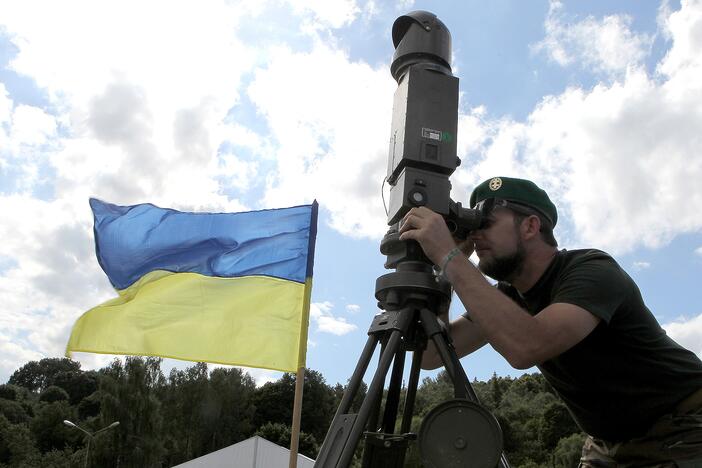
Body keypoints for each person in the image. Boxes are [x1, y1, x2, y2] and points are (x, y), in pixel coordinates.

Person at [398, 176, 702, 467]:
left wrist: (449, 256)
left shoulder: (591, 271)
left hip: (685, 424)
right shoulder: (508, 297)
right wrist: (442, 271)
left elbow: (528, 346)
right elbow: (431, 354)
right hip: (608, 443)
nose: (475, 236)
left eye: (485, 222)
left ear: (531, 226)